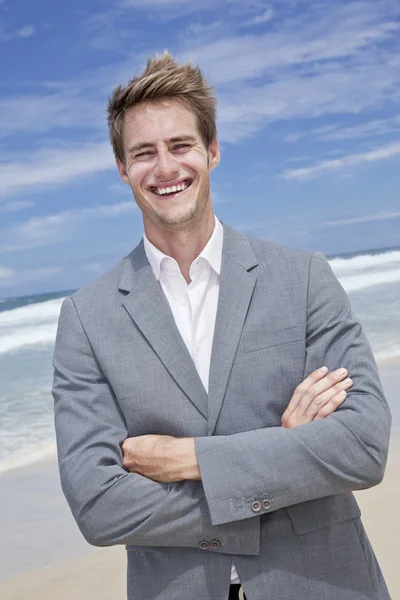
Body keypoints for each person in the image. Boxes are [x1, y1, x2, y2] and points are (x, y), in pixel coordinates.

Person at [52, 52, 392, 600]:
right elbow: (98, 506)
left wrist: (188, 460)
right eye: (144, 153)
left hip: (326, 582)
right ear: (122, 169)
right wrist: (283, 463)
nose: (164, 168)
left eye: (180, 145)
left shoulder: (304, 277)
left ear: (212, 151)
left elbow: (362, 445)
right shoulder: (86, 320)